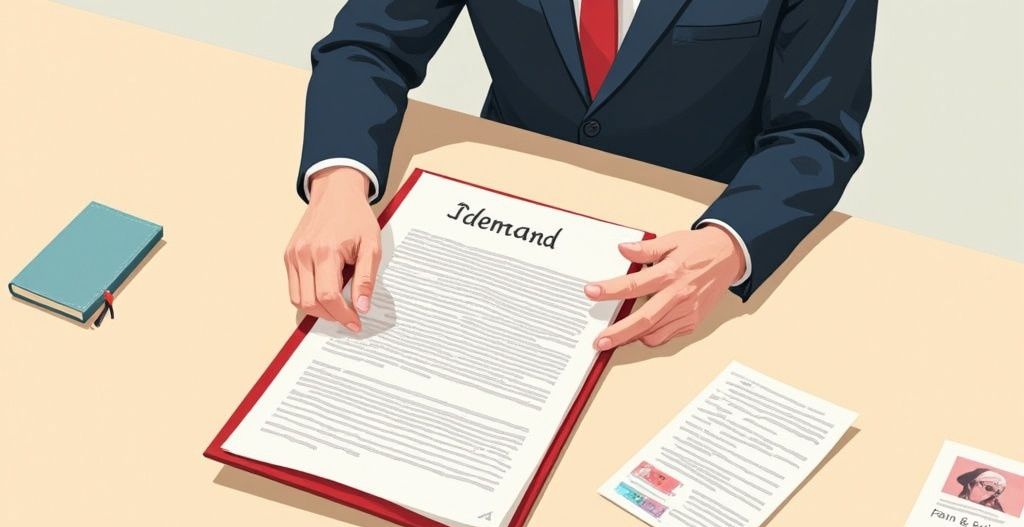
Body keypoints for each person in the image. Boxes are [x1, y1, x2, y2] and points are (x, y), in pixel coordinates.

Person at [284, 0, 878, 350]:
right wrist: (339, 181)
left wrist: (728, 243)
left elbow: (815, 131)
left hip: (687, 230)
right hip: (504, 206)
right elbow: (372, 42)